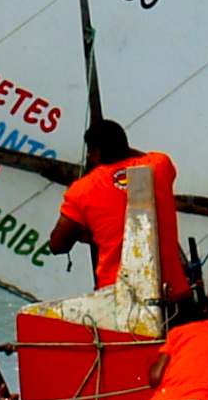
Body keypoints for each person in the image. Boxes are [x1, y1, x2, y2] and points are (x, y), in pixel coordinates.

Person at [45, 118, 188, 298]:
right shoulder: (159, 165)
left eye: (89, 153)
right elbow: (142, 158)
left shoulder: (82, 190)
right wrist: (122, 151)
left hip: (120, 297)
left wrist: (90, 235)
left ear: (97, 151)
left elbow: (57, 245)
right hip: (173, 294)